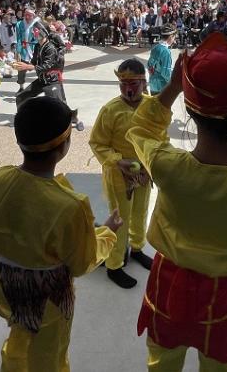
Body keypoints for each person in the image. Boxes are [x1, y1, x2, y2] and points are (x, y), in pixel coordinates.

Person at [126, 32, 227, 371]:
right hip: (225, 294)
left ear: (191, 109)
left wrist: (171, 89)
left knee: (162, 362)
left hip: (169, 284)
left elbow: (139, 129)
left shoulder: (169, 167)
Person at [0, 96, 121, 372]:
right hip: (48, 296)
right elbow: (81, 263)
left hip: (2, 280)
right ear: (64, 145)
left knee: (20, 328)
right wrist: (107, 233)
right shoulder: (70, 205)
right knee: (49, 351)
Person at [89, 59, 153, 289]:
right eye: (123, 83)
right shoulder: (110, 110)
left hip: (144, 172)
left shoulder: (152, 107)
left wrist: (151, 164)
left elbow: (160, 139)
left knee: (140, 212)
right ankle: (114, 264)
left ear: (144, 83)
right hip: (118, 175)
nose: (128, 88)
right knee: (119, 219)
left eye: (133, 83)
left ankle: (136, 248)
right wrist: (118, 161)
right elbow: (97, 143)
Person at [13, 22, 66, 109]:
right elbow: (34, 63)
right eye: (33, 31)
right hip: (41, 80)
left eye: (35, 30)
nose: (33, 33)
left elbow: (46, 66)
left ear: (43, 32)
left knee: (59, 107)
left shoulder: (50, 48)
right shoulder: (38, 46)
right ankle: (24, 118)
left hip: (52, 81)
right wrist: (20, 65)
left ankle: (71, 119)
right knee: (21, 97)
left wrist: (28, 67)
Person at [15, 6, 41, 93]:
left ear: (33, 16)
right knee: (21, 69)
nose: (27, 17)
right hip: (23, 49)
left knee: (39, 68)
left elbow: (41, 38)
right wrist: (18, 51)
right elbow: (18, 38)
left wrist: (35, 35)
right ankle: (21, 87)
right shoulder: (19, 24)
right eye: (26, 15)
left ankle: (42, 86)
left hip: (35, 49)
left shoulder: (37, 24)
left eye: (30, 15)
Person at [147, 24, 177, 95]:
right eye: (174, 38)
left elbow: (149, 65)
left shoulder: (155, 47)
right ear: (171, 36)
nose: (174, 40)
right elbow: (165, 72)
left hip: (153, 84)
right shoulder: (166, 52)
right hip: (162, 86)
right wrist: (172, 84)